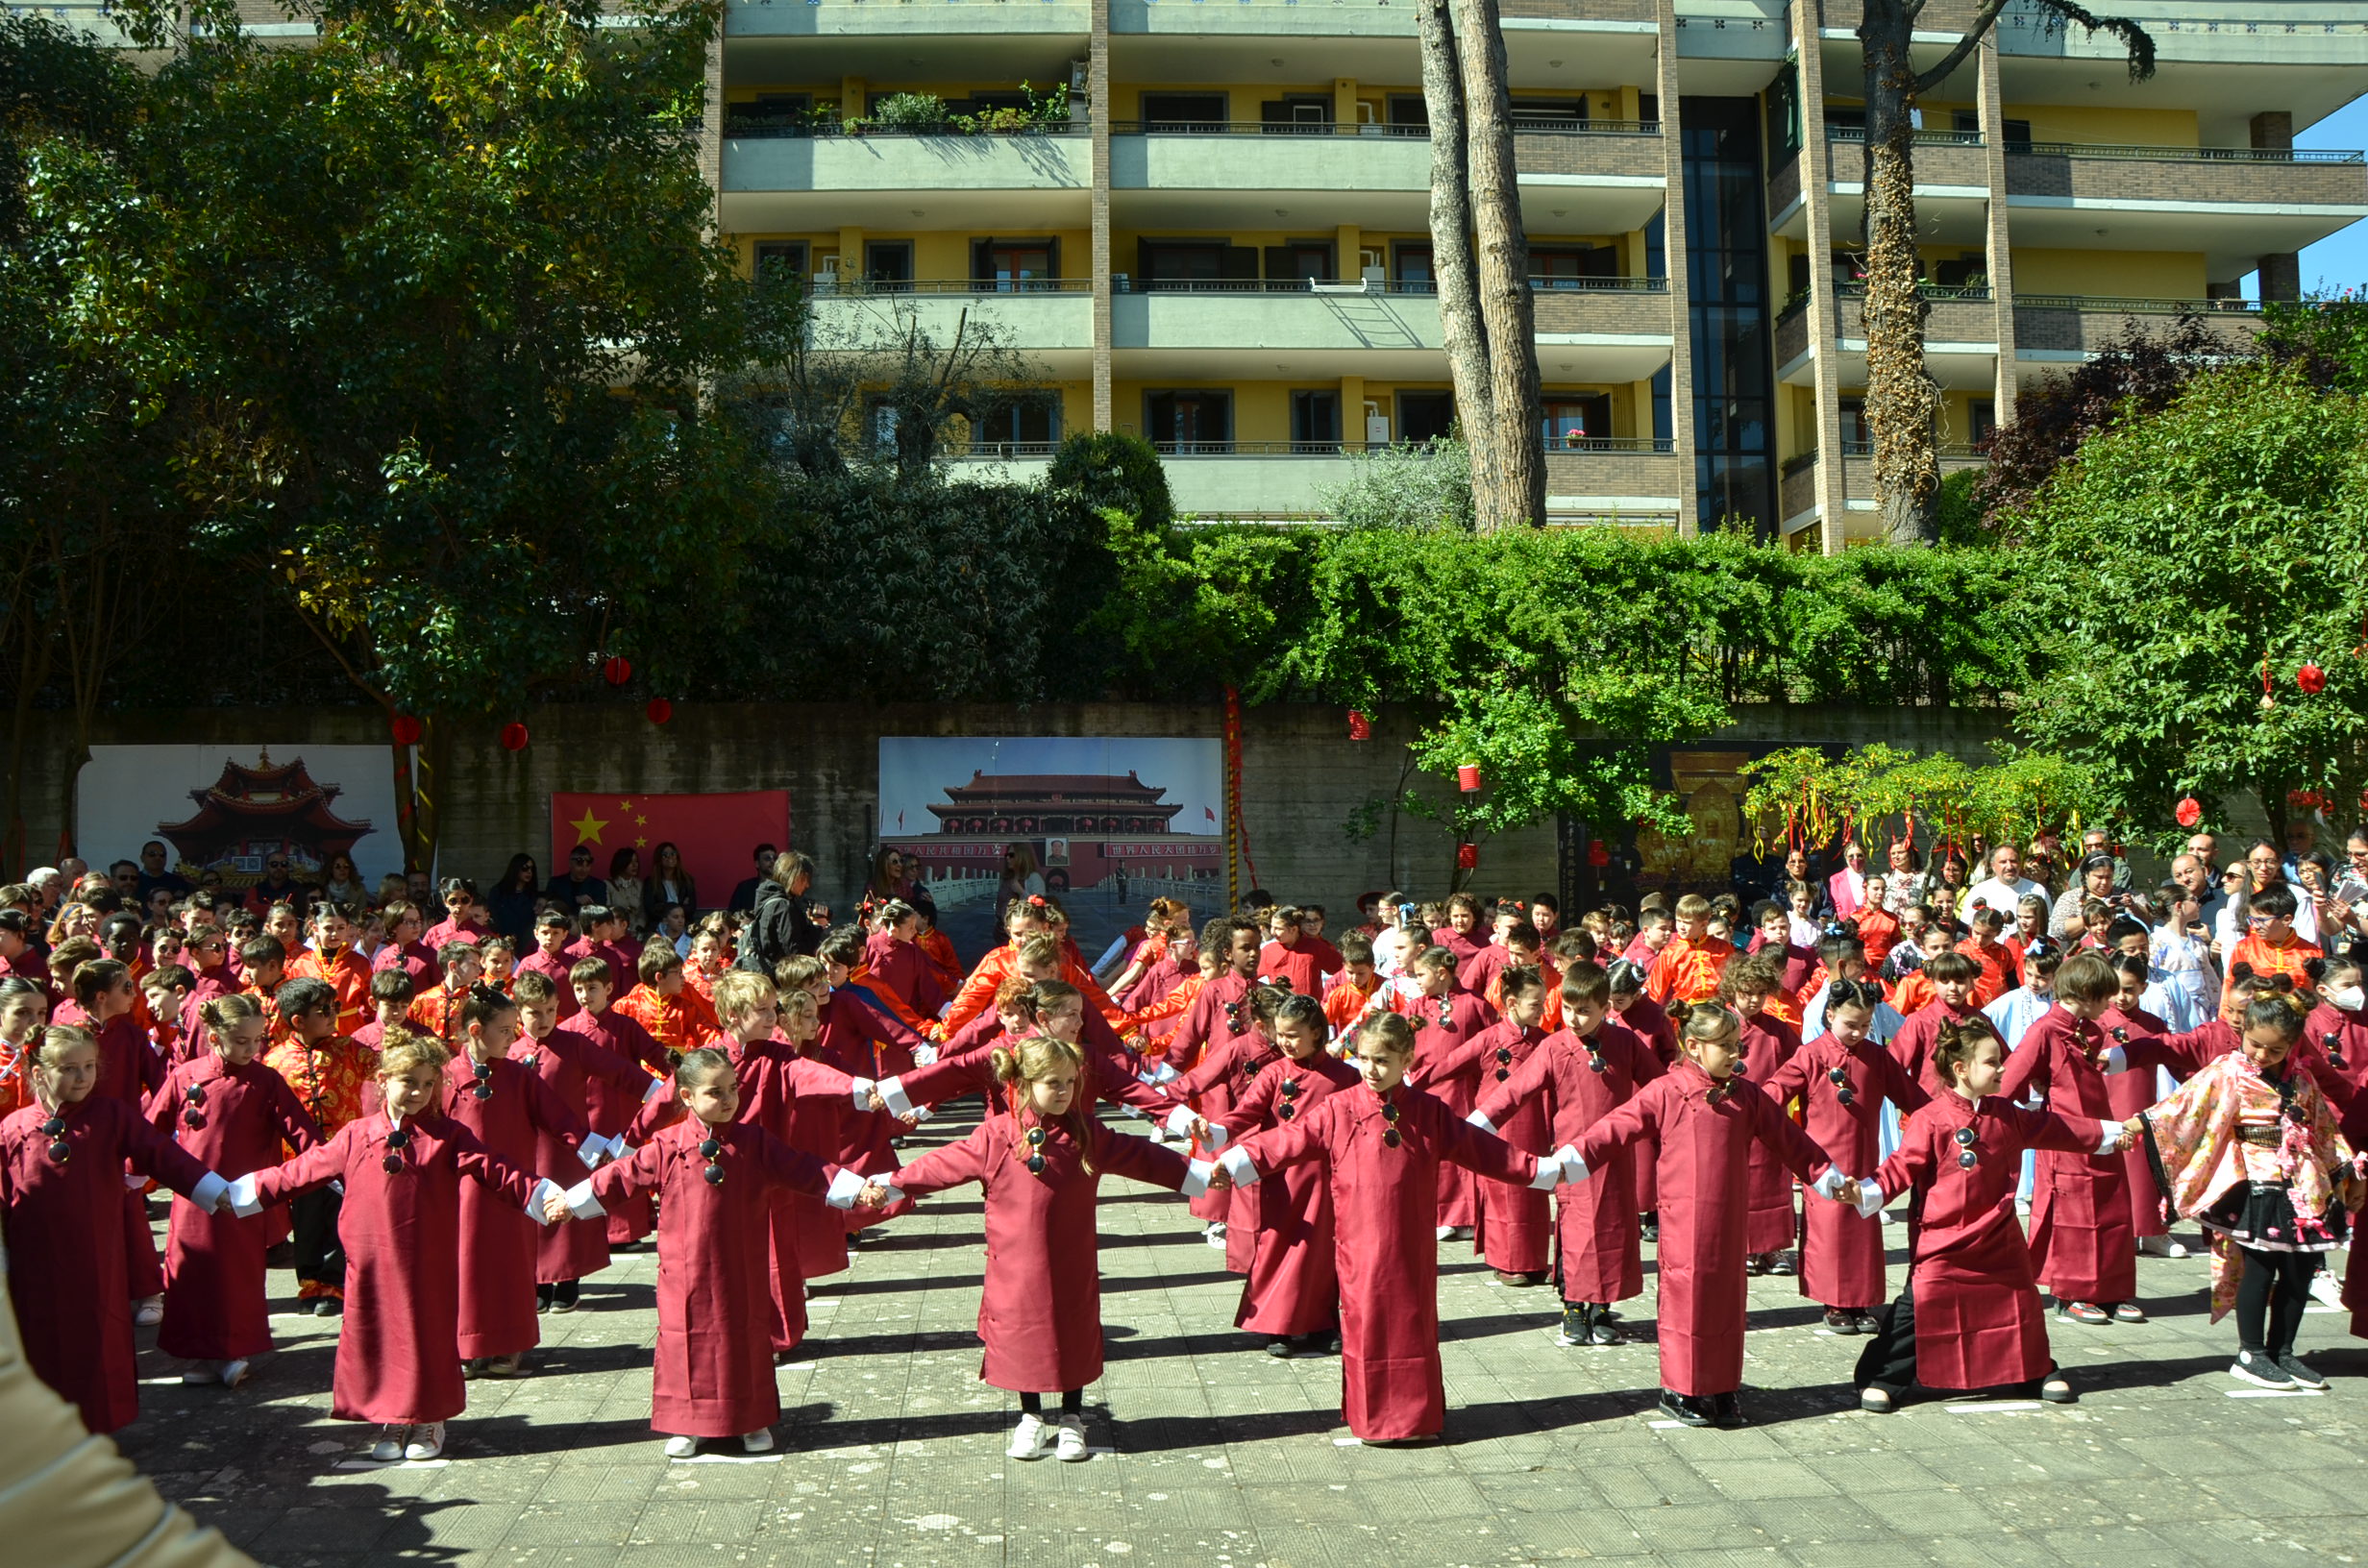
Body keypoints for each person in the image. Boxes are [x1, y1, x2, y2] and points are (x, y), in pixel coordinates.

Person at [1218, 1013, 1563, 1446]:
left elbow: (1482, 1150)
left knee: (1412, 1324)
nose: (1370, 1070)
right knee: (1365, 1326)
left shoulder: (1429, 1112)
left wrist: (1540, 1170)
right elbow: (1289, 1139)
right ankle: (1374, 1422)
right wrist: (1234, 1162)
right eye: (1363, 1058)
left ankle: (1416, 1419)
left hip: (1411, 1244)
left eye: (1381, 1060)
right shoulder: (1339, 1108)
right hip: (1359, 1247)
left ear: (1406, 1059)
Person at [863, 1035, 1211, 1460]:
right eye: (1053, 1083)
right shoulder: (998, 1134)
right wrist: (889, 1185)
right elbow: (942, 1164)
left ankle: (1071, 1418)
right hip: (1014, 1261)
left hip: (1071, 1258)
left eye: (1070, 1082)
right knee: (1022, 1330)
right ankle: (1030, 1417)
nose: (1065, 1091)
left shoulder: (1088, 1134)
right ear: (1025, 1083)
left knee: (1071, 1329)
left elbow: (1146, 1157)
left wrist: (1203, 1175)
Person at [226, 1032, 564, 1461]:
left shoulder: (449, 1135)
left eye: (429, 1083)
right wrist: (240, 1193)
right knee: (379, 1336)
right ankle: (390, 1416)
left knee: (425, 1336)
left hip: (425, 1258)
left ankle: (428, 1420)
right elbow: (303, 1170)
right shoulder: (357, 1133)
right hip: (369, 1259)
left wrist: (542, 1194)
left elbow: (495, 1169)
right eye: (409, 1082)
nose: (420, 1092)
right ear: (384, 1081)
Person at [552, 1045, 865, 1457]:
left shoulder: (755, 1142)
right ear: (687, 1097)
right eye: (715, 1093)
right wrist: (572, 1202)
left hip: (741, 1265)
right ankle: (688, 1424)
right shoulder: (667, 1144)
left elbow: (805, 1168)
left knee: (745, 1337)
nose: (728, 1100)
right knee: (686, 1340)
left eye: (733, 1089)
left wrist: (857, 1188)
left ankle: (752, 1420)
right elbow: (621, 1176)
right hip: (685, 1270)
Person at [1561, 1000, 1860, 1428]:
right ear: (1695, 1046)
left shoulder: (1747, 1096)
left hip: (1730, 1221)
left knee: (1726, 1304)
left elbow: (1792, 1141)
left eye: (1738, 1046)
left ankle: (1721, 1385)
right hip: (1683, 1224)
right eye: (1726, 1047)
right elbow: (1614, 1129)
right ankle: (1679, 1387)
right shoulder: (1667, 1090)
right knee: (1687, 1300)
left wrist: (1831, 1180)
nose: (1736, 1055)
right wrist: (1564, 1163)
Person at [1852, 1019, 2131, 1411]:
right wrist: (1866, 1190)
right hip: (1945, 1239)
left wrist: (2115, 1132)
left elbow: (2060, 1128)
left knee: (2022, 1305)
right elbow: (1901, 1167)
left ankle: (2035, 1370)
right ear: (1962, 1069)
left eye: (2000, 1060)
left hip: (1999, 1237)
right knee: (1919, 1306)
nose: (2003, 1068)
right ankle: (1884, 1377)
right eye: (1992, 1061)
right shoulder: (1931, 1118)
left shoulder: (2009, 1115)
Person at [2, 1024, 235, 1434]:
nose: (82, 1077)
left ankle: (99, 1427)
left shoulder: (110, 1115)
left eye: (89, 1066)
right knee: (41, 1341)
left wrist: (217, 1191)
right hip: (33, 1263)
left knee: (97, 1338)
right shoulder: (14, 1128)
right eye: (70, 1068)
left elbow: (161, 1154)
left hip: (97, 1257)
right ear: (39, 1073)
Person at [2131, 992, 2361, 1390]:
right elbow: (2183, 1107)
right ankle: (2250, 1352)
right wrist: (2136, 1126)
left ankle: (2283, 1350)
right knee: (2260, 1268)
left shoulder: (2302, 1077)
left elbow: (2324, 1128)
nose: (2262, 1054)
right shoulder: (2228, 1070)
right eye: (2255, 1043)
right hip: (2256, 1181)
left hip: (2304, 1184)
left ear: (2292, 1045)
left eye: (2275, 1048)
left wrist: (2345, 1174)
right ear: (2243, 1032)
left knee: (2300, 1271)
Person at [1469, 961, 1661, 1346]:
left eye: (1584, 1011)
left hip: (1616, 1155)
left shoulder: (1624, 1043)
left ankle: (1602, 1308)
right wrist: (1474, 1127)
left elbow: (1661, 1088)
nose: (1574, 1018)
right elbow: (1515, 1091)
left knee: (1614, 1228)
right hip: (1571, 1160)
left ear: (1606, 1007)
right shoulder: (1554, 1046)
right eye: (1568, 1009)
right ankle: (1573, 1305)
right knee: (1576, 1229)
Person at [149, 993, 322, 1389]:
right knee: (191, 1272)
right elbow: (151, 1132)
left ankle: (233, 1351)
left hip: (241, 1197)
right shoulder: (186, 1075)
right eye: (242, 1041)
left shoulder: (266, 1081)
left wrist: (323, 1167)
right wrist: (132, 1170)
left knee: (236, 1275)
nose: (252, 1049)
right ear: (214, 1038)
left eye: (257, 1040)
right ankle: (200, 1353)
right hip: (192, 1195)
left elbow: (302, 1133)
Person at [441, 982, 600, 1378]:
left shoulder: (518, 1076)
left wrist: (593, 1148)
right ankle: (466, 1344)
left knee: (511, 1267)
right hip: (462, 1194)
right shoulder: (444, 1077)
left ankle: (509, 1343)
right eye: (504, 1030)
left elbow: (559, 1119)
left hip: (513, 1192)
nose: (513, 1038)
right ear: (476, 1030)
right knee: (464, 1266)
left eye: (515, 1028)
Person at [1199, 992, 1359, 1358]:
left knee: (1320, 1252)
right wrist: (1217, 1132)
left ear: (1317, 1033)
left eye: (1294, 1035)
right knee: (1276, 1247)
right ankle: (1276, 1325)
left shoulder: (1345, 1076)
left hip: (1323, 1178)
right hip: (1280, 1177)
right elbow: (1247, 1112)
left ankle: (1320, 1322)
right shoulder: (1274, 1072)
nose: (1285, 1042)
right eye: (1282, 1034)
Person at [1764, 980, 1928, 1333]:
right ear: (1830, 1015)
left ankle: (1860, 1301)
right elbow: (1774, 1092)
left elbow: (1915, 1100)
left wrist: (1946, 1118)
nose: (1857, 1032)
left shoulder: (1878, 1057)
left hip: (1866, 1161)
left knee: (1863, 1233)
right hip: (1823, 1162)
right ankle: (1833, 1303)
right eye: (1849, 1024)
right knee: (1829, 1233)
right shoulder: (1811, 1055)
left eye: (1865, 1025)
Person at [1998, 951, 2146, 1326]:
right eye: (2104, 997)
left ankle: (2110, 1289)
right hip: (2064, 1139)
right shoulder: (2045, 1031)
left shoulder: (2090, 1030)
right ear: (2085, 993)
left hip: (2103, 1130)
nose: (2110, 1004)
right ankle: (2071, 1292)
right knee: (2074, 1218)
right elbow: (2009, 1084)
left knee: (2112, 1210)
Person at [508, 969, 643, 1314]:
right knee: (529, 1208)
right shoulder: (509, 1049)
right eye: (534, 1013)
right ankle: (537, 1279)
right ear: (518, 1010)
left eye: (551, 1011)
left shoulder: (573, 1043)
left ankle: (569, 1281)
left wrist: (662, 1093)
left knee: (568, 1206)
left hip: (569, 1145)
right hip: (525, 1144)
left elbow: (620, 1071)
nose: (544, 1020)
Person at [264, 976, 379, 1314]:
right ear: (298, 1020)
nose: (332, 1015)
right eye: (324, 1010)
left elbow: (383, 1068)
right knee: (307, 1221)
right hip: (298, 1160)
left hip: (344, 1154)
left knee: (339, 1218)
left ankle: (334, 1284)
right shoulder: (275, 1061)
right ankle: (310, 1284)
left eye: (334, 1008)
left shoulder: (348, 1049)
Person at [1645, 894, 1735, 1008]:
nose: (1681, 927)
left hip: (1718, 1010)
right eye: (1678, 921)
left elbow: (1735, 981)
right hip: (1686, 1013)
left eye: (1687, 922)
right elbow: (1654, 988)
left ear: (1703, 924)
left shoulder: (1722, 948)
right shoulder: (1670, 953)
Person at [643, 842, 698, 930]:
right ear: (659, 859)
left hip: (684, 925)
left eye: (673, 854)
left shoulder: (687, 880)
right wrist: (674, 912)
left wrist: (663, 906)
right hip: (660, 926)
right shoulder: (651, 882)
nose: (670, 857)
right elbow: (651, 909)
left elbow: (691, 908)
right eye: (665, 855)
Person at [606, 847, 649, 936]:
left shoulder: (640, 885)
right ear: (621, 864)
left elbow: (643, 912)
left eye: (636, 861)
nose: (635, 865)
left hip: (637, 932)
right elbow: (607, 913)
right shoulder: (608, 885)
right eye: (630, 862)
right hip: (615, 932)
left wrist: (638, 928)